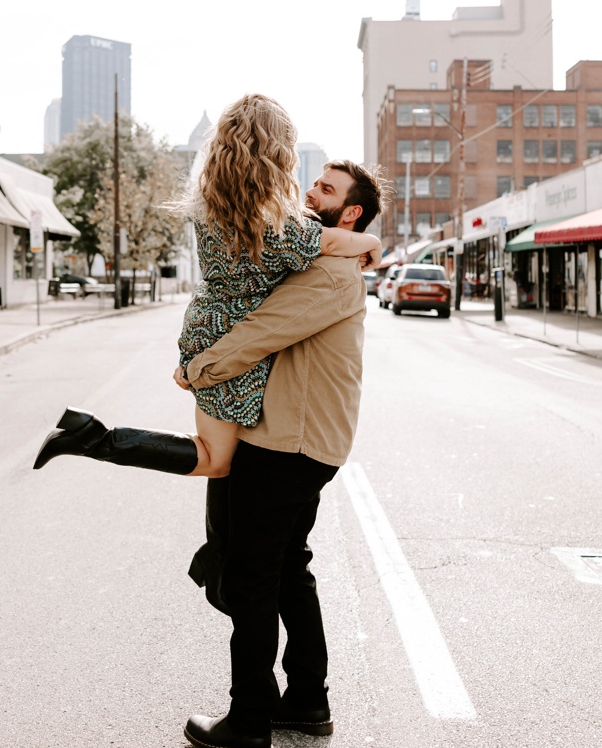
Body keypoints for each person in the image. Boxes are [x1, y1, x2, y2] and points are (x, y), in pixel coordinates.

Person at [33, 95, 381, 478]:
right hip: (230, 336)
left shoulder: (212, 201)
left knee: (218, 456)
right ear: (278, 152)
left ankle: (92, 437)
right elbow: (331, 242)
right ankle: (94, 438)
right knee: (216, 461)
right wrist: (372, 243)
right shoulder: (282, 225)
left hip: (205, 322)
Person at [167, 159, 381, 748]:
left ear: (352, 211)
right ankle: (307, 699)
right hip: (303, 437)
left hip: (290, 441)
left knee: (253, 576)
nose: (312, 191)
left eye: (327, 189)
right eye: (313, 182)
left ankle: (249, 719)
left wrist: (197, 369)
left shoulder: (333, 273)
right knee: (287, 568)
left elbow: (263, 329)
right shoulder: (323, 255)